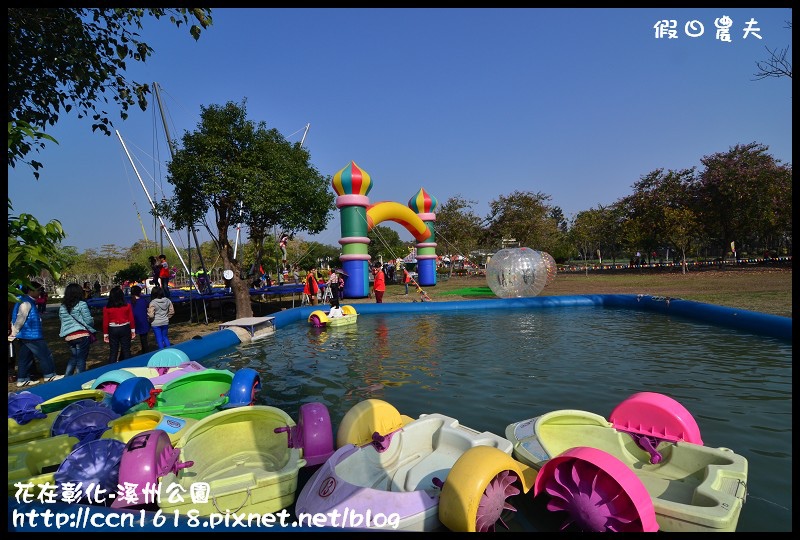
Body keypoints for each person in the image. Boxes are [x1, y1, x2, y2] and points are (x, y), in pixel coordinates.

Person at [8, 282, 63, 387]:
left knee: (25, 358)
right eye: (38, 290)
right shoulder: (26, 303)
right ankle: (50, 374)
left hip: (25, 335)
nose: (40, 292)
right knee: (45, 354)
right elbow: (20, 319)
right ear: (30, 290)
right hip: (31, 335)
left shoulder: (24, 300)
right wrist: (14, 332)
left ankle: (22, 379)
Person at [58, 282, 96, 376]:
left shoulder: (63, 307)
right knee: (81, 359)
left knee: (74, 357)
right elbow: (88, 320)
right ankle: (80, 378)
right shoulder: (81, 304)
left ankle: (67, 376)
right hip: (81, 335)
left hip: (69, 336)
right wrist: (92, 323)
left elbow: (62, 320)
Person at [102, 286, 135, 363]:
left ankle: (112, 369)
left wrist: (105, 334)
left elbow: (105, 322)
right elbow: (131, 319)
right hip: (125, 328)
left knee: (113, 351)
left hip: (113, 329)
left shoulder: (106, 308)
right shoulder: (127, 306)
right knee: (126, 350)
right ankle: (128, 367)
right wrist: (133, 330)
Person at [130, 285, 151, 355]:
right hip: (143, 323)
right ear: (139, 292)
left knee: (127, 341)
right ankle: (145, 354)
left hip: (133, 323)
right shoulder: (143, 301)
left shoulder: (129, 303)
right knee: (144, 340)